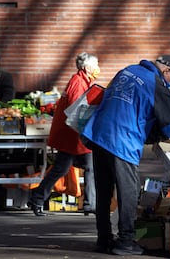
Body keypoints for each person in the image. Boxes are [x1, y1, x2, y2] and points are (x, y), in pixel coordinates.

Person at [81, 55, 170, 255]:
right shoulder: (154, 83)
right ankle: (125, 241)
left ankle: (104, 239)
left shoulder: (127, 71)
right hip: (121, 140)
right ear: (166, 70)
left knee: (104, 190)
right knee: (129, 191)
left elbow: (128, 106)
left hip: (98, 134)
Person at [27, 52, 100, 216]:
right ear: (87, 68)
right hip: (74, 136)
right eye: (96, 66)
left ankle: (37, 198)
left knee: (64, 168)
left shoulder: (80, 81)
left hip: (70, 135)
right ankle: (90, 204)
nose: (98, 69)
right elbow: (78, 109)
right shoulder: (79, 83)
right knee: (86, 167)